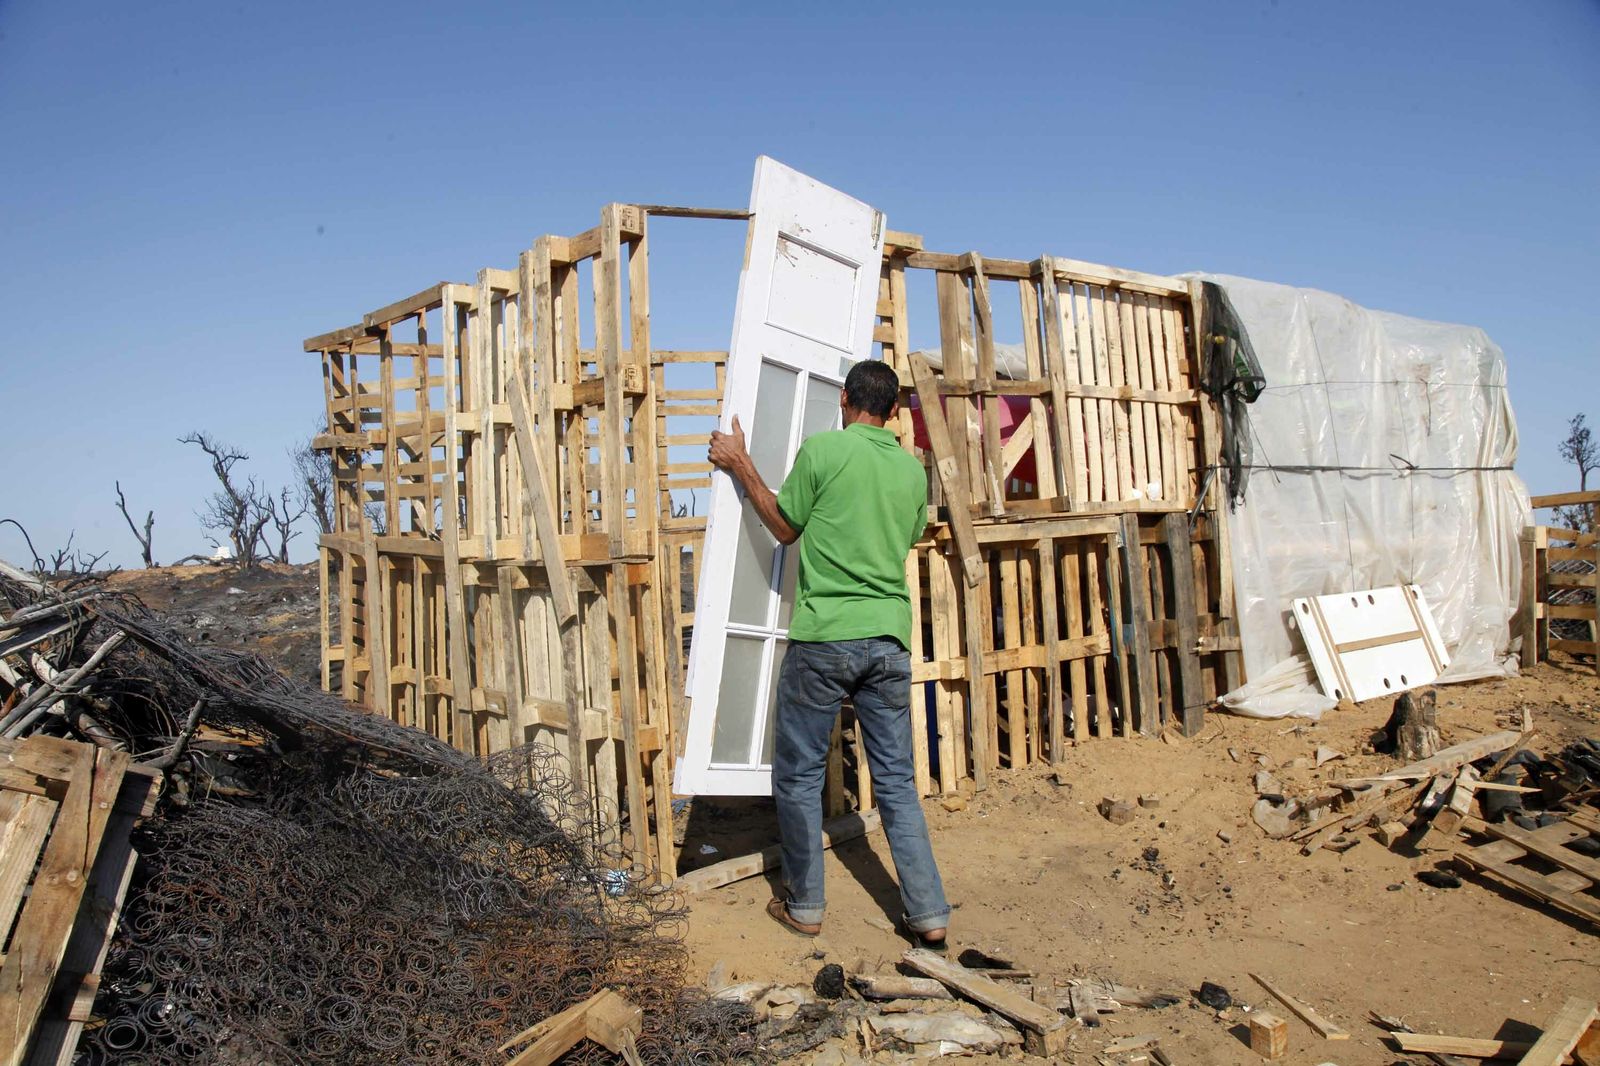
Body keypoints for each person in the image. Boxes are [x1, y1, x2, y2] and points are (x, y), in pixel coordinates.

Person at [707, 360, 950, 951]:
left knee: (798, 776)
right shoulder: (911, 471)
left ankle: (807, 907)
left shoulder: (822, 452)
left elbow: (785, 527)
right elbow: (909, 534)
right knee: (896, 784)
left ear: (845, 399)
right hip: (889, 638)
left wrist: (741, 464)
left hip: (824, 638)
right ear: (893, 411)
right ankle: (930, 915)